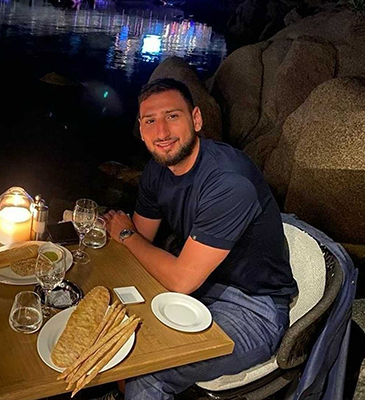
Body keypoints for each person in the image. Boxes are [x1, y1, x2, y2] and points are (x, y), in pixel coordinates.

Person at [103, 79, 298, 400]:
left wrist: (125, 234)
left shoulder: (229, 181)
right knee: (111, 321)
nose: (161, 132)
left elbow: (178, 277)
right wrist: (121, 241)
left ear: (196, 119)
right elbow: (137, 247)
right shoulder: (157, 171)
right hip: (200, 289)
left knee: (149, 368)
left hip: (252, 308)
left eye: (172, 116)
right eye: (150, 121)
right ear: (140, 129)